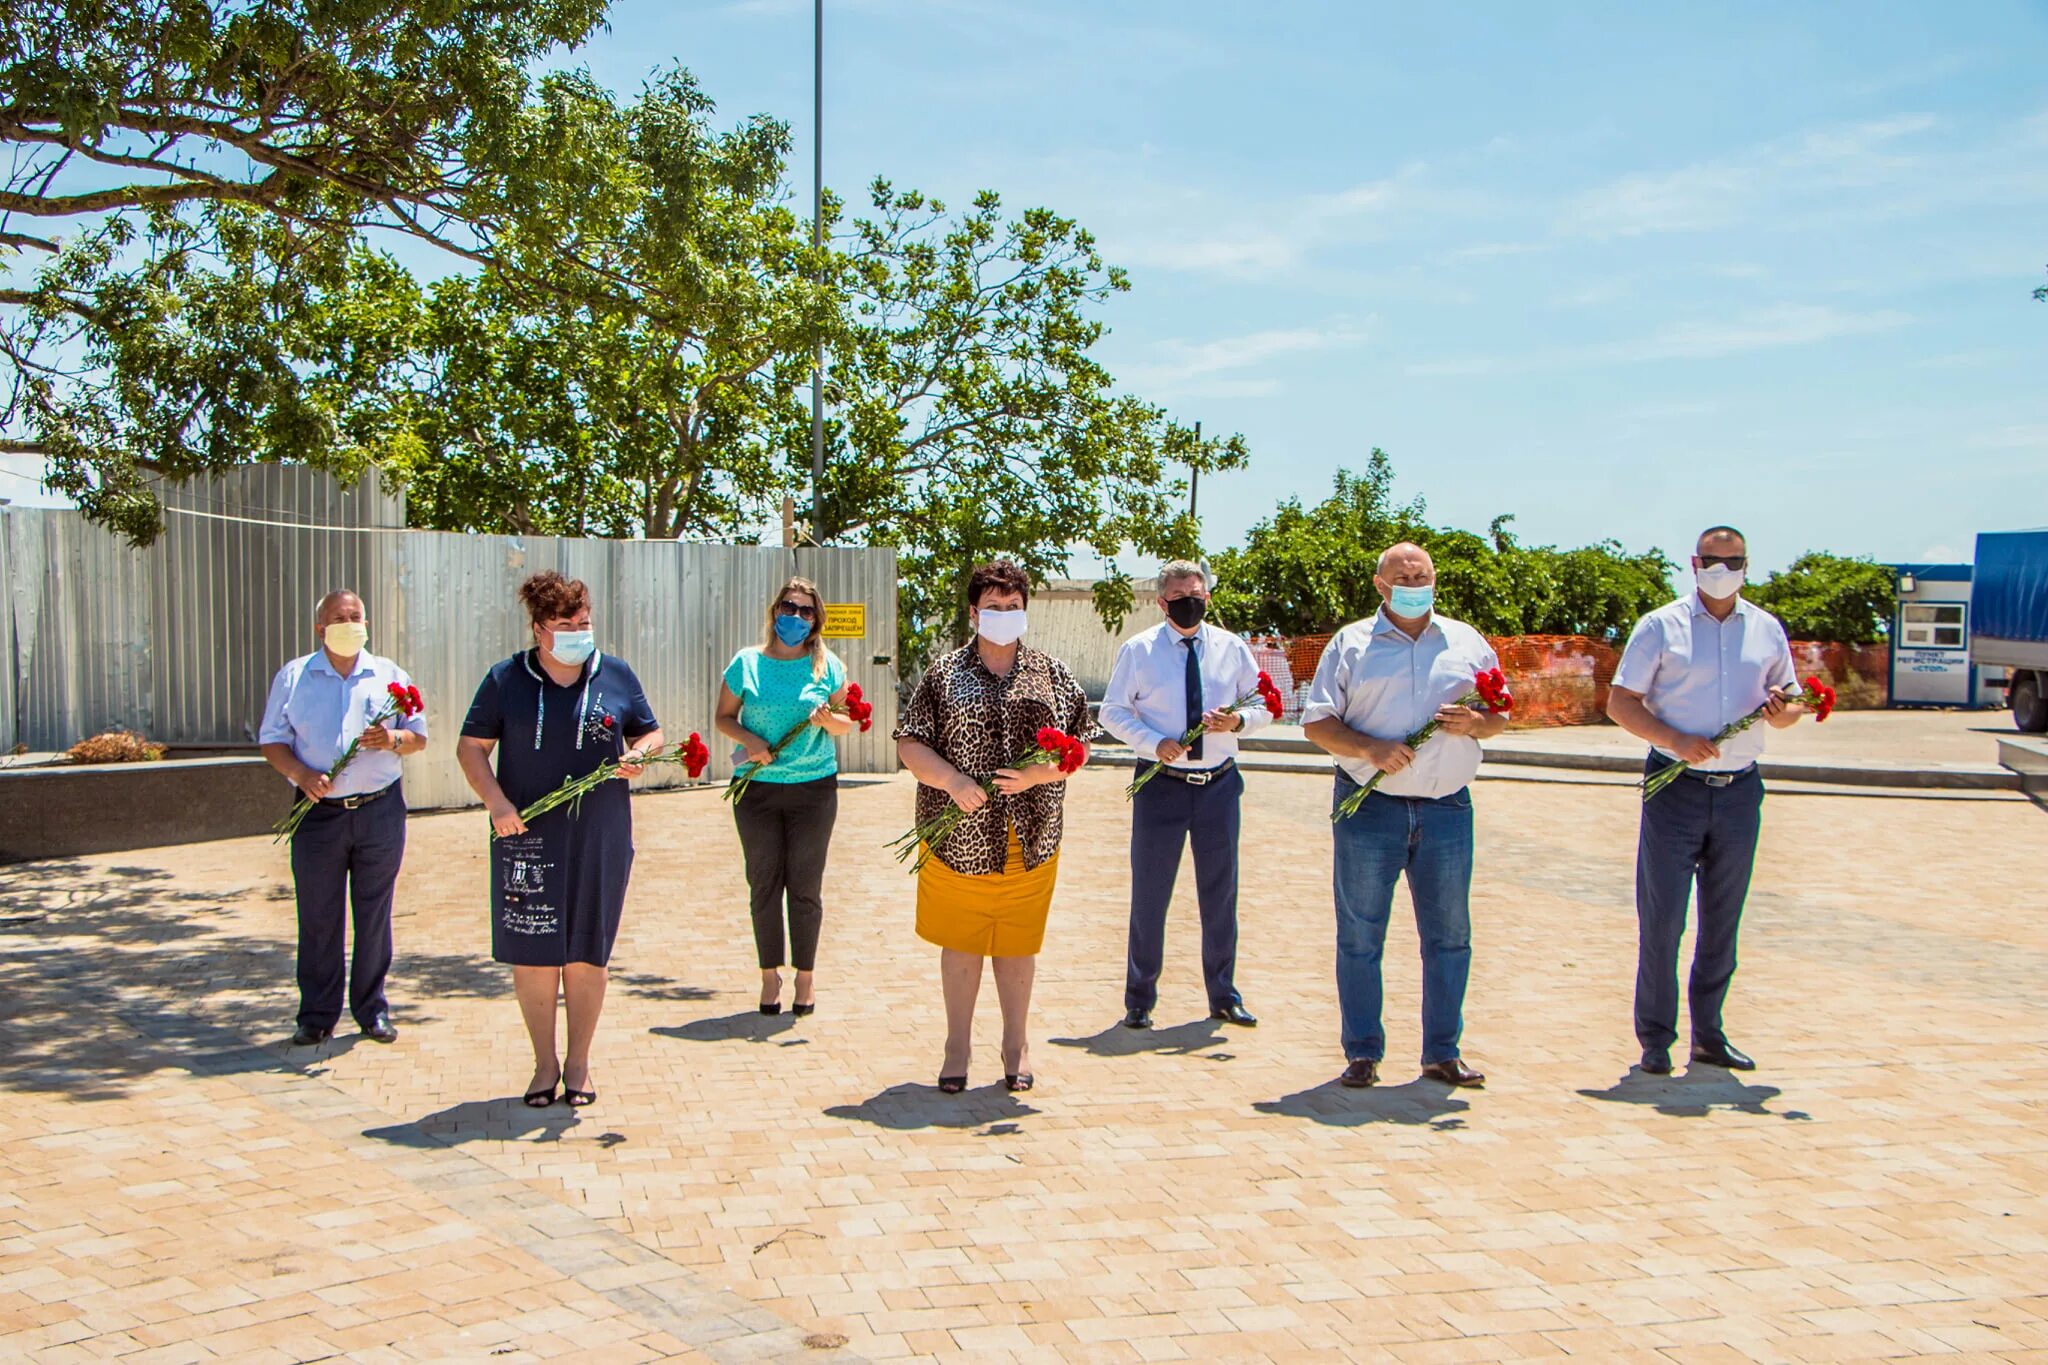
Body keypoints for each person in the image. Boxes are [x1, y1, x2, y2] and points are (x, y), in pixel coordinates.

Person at [1301, 543, 1506, 1090]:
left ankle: (1442, 1052)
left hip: (1447, 811)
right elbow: (1317, 723)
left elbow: (1499, 716)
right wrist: (1369, 749)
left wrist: (1475, 723)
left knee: (1450, 936)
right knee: (1361, 935)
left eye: (1423, 575)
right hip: (1369, 808)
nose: (1415, 581)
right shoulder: (1350, 644)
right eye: (1403, 575)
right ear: (1380, 585)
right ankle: (1363, 1051)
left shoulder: (1466, 642)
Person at [456, 572, 663, 1109]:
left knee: (587, 956)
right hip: (526, 838)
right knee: (535, 956)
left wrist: (640, 754)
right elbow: (471, 747)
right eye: (565, 625)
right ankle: (544, 1063)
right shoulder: (506, 679)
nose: (577, 632)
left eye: (585, 623)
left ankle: (579, 1064)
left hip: (601, 835)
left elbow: (649, 729)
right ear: (538, 629)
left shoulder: (614, 673)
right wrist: (497, 804)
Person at [1607, 525, 1804, 1076]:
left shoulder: (1766, 629)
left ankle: (1709, 1036)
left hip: (1740, 789)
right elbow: (1621, 702)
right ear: (1695, 563)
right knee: (1663, 919)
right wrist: (1674, 740)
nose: (1724, 568)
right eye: (1714, 560)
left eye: (1734, 560)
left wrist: (1782, 711)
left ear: (1747, 563)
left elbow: (1789, 706)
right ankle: (1655, 1039)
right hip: (1674, 786)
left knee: (1723, 919)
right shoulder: (1660, 627)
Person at [894, 560, 1093, 1094]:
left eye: (1013, 606)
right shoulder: (944, 674)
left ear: (1025, 610)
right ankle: (957, 1045)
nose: (1003, 615)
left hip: (1030, 837)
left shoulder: (1051, 673)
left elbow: (1080, 745)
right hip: (958, 836)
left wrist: (1034, 775)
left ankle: (1016, 1044)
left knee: (1016, 945)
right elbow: (910, 742)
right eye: (993, 607)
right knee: (960, 943)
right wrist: (953, 780)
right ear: (973, 612)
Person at [1100, 558, 1270, 1030]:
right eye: (1177, 598)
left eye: (1195, 595)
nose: (1188, 603)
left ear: (1208, 596)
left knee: (1220, 895)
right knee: (1150, 895)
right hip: (1161, 785)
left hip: (1218, 785)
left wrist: (1240, 721)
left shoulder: (1232, 649)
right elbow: (1112, 712)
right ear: (1161, 603)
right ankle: (1140, 998)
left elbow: (1264, 704)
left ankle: (1223, 995)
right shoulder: (1139, 651)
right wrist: (1153, 743)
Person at [260, 589, 429, 1048]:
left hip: (379, 810)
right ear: (321, 628)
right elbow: (272, 739)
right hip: (318, 814)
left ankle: (371, 1010)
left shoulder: (389, 675)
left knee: (374, 914)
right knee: (318, 916)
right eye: (339, 617)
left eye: (356, 616)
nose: (350, 623)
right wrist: (300, 774)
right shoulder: (295, 677)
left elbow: (419, 738)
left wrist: (392, 738)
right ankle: (316, 1015)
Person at [715, 576, 855, 1017]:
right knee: (763, 884)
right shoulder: (746, 663)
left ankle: (805, 979)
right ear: (775, 611)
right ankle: (769, 975)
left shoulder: (827, 665)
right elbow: (723, 717)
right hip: (756, 790)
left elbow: (846, 722)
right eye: (788, 608)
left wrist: (827, 719)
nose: (795, 617)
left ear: (816, 621)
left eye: (805, 611)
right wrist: (750, 741)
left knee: (805, 888)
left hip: (813, 791)